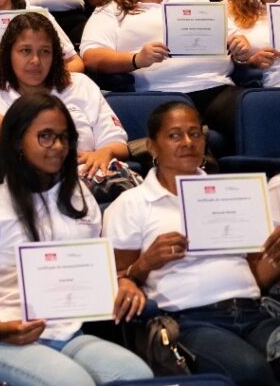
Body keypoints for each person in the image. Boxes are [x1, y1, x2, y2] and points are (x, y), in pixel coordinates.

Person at [0, 93, 153, 386]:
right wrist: (0, 327)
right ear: (17, 142)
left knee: (138, 376)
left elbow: (94, 273)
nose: (59, 147)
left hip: (70, 335)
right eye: (46, 137)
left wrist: (125, 281)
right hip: (7, 341)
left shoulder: (81, 198)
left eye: (64, 137)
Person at [105, 101, 280, 386]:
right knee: (250, 370)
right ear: (152, 146)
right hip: (190, 320)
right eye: (175, 135)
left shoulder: (232, 194)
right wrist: (146, 263)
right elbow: (116, 281)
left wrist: (275, 260)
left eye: (195, 134)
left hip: (253, 310)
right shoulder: (132, 204)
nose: (188, 142)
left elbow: (256, 278)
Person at [81, 0, 242, 142]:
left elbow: (235, 36)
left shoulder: (195, 2)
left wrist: (240, 45)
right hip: (161, 96)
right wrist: (137, 59)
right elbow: (92, 56)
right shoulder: (113, 9)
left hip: (218, 88)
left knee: (258, 112)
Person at [0, 12, 127, 173]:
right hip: (16, 189)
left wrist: (106, 152)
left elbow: (117, 143)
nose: (35, 61)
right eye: (25, 51)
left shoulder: (82, 85)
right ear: (8, 55)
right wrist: (17, 164)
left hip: (85, 183)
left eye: (45, 52)